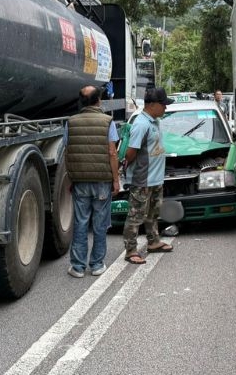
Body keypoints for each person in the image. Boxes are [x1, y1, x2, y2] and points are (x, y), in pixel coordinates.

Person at [64, 84, 122, 277]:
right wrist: (115, 179)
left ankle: (78, 267)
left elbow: (67, 152)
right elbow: (112, 152)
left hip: (80, 180)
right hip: (102, 181)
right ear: (99, 101)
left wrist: (72, 177)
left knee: (80, 222)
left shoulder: (71, 122)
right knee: (100, 223)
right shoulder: (108, 121)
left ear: (81, 102)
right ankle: (97, 265)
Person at [121, 86, 175, 264]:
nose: (165, 108)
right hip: (142, 180)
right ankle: (130, 250)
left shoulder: (155, 121)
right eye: (163, 104)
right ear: (152, 105)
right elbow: (131, 153)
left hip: (155, 178)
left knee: (153, 213)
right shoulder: (141, 124)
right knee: (135, 215)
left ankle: (153, 242)